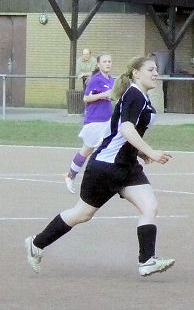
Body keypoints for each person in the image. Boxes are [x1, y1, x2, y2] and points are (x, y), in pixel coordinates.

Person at [25, 56, 175, 276]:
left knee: (149, 206)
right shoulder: (134, 93)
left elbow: (121, 132)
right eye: (150, 69)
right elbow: (125, 128)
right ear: (135, 72)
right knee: (82, 213)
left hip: (127, 167)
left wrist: (141, 153)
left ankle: (147, 261)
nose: (155, 73)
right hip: (106, 166)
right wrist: (151, 151)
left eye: (156, 70)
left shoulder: (141, 97)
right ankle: (36, 244)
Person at [64, 53, 114, 194]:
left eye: (109, 61)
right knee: (89, 150)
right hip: (95, 121)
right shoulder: (95, 79)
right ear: (98, 64)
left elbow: (111, 96)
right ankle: (73, 177)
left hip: (107, 120)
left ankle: (77, 176)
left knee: (100, 149)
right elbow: (86, 98)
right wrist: (103, 95)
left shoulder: (110, 79)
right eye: (104, 61)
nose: (107, 64)